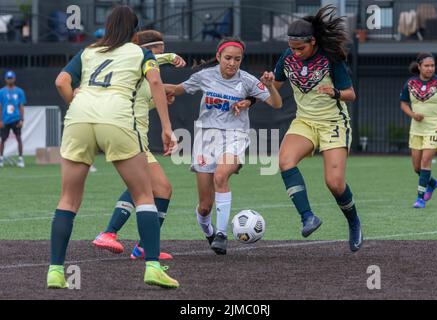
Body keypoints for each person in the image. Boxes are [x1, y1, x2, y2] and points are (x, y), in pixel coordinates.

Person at [49, 6, 179, 289]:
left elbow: (61, 81)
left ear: (107, 28)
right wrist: (168, 128)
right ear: (135, 33)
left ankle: (56, 271)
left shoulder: (89, 51)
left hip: (79, 117)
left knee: (68, 199)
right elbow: (155, 81)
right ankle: (153, 267)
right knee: (144, 195)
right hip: (117, 119)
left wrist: (75, 100)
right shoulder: (140, 52)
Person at [165, 37, 282, 255]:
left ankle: (221, 234)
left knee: (221, 176)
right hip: (205, 139)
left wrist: (269, 87)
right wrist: (152, 84)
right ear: (218, 57)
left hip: (235, 135)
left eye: (237, 59)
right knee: (204, 205)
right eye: (228, 58)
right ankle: (209, 231)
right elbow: (177, 89)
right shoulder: (204, 76)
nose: (232, 63)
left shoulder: (246, 80)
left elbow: (276, 103)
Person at [273, 5, 362, 252]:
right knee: (285, 161)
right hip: (305, 122)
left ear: (313, 42)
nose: (295, 52)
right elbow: (273, 90)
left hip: (333, 123)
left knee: (334, 183)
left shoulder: (330, 58)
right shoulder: (287, 58)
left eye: (300, 48)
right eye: (292, 48)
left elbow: (351, 95)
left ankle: (353, 221)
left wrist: (334, 92)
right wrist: (260, 90)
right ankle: (307, 217)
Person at [92, 29, 186, 260]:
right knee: (142, 186)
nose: (158, 57)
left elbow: (141, 103)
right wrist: (170, 56)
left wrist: (160, 99)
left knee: (162, 188)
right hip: (128, 135)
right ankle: (108, 233)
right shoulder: (137, 66)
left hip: (136, 138)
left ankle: (144, 246)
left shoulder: (142, 76)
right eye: (158, 50)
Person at [400, 52, 437, 208]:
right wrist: (413, 115)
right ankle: (432, 182)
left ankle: (420, 198)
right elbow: (403, 104)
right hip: (416, 129)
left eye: (432, 65)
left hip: (435, 128)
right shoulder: (410, 83)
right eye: (427, 66)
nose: (430, 68)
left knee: (425, 161)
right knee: (416, 167)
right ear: (419, 66)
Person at [0, 70, 26, 168]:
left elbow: (21, 106)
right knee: (3, 139)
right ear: (6, 79)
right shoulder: (1, 92)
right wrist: (0, 120)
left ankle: (20, 159)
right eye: (8, 78)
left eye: (11, 78)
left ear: (14, 79)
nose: (10, 80)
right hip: (5, 119)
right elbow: (0, 106)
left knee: (19, 138)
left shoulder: (19, 91)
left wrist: (22, 119)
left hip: (16, 118)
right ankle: (1, 158)